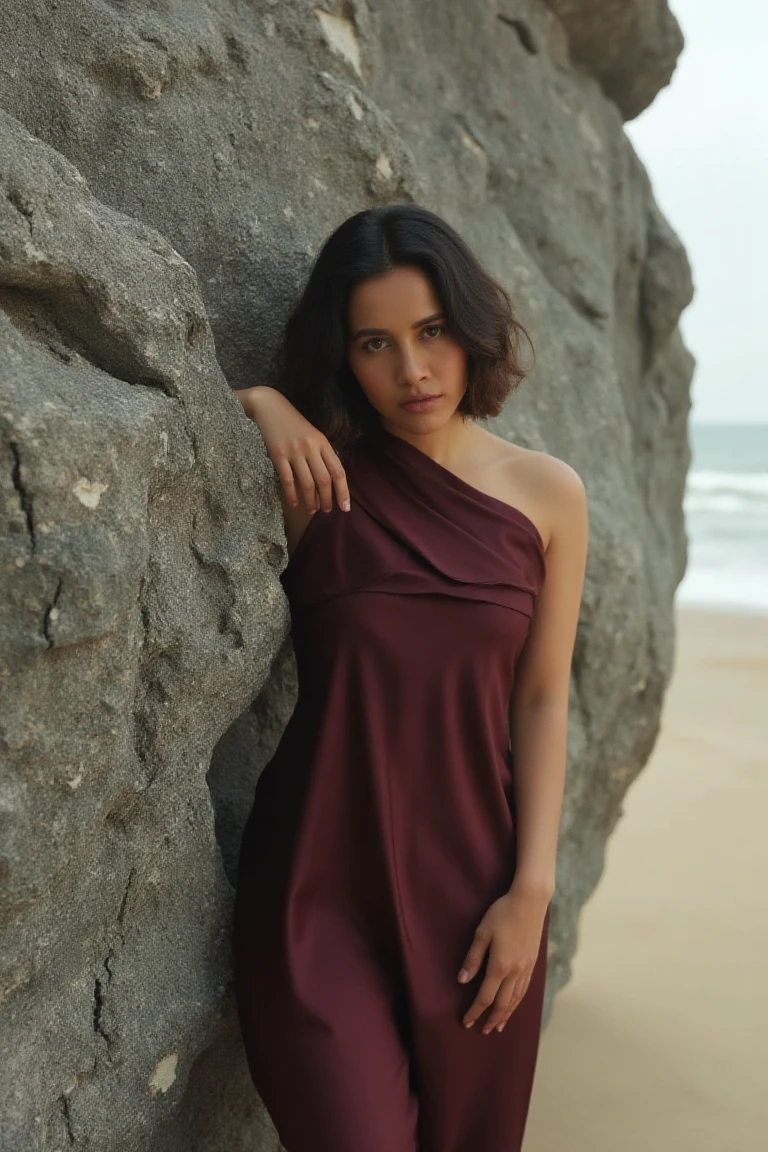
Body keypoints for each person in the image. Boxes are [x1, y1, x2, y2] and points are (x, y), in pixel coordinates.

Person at [232, 203, 588, 1152]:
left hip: (480, 899)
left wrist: (532, 891)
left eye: (431, 332)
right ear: (344, 358)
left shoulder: (547, 494)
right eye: (375, 344)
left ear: (468, 328)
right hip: (318, 889)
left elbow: (543, 696)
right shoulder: (321, 481)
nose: (412, 369)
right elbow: (185, 441)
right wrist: (261, 403)